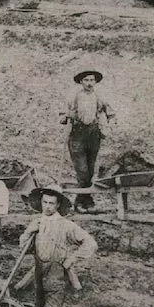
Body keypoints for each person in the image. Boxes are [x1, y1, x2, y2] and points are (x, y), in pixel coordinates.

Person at [19, 184, 98, 307]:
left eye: (51, 203)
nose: (47, 206)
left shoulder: (66, 225)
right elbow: (23, 247)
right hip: (39, 272)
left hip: (56, 275)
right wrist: (29, 232)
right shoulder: (37, 221)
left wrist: (73, 258)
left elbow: (91, 243)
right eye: (44, 202)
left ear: (58, 205)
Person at [61, 70, 115, 213]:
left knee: (90, 171)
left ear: (95, 82)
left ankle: (86, 200)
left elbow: (110, 113)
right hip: (77, 136)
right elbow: (62, 117)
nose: (90, 83)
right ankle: (82, 201)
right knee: (82, 171)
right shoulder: (73, 97)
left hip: (93, 135)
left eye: (92, 80)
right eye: (86, 80)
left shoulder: (99, 97)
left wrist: (105, 125)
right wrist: (68, 115)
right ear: (81, 82)